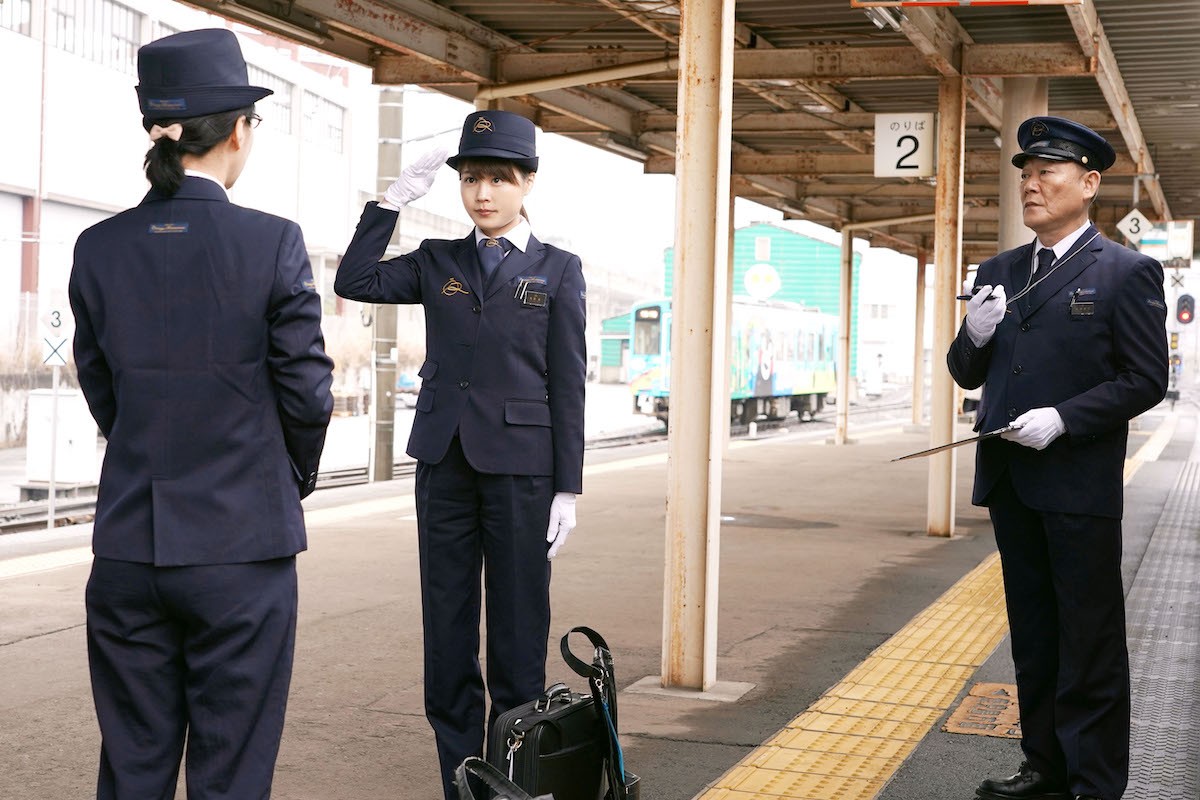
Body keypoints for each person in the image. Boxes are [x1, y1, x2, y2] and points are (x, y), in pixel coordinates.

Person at [68, 28, 334, 799]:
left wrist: (154, 451)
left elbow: (103, 388)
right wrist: (288, 479)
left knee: (133, 767)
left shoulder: (98, 247)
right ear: (239, 130)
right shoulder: (273, 243)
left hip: (127, 548)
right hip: (241, 550)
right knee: (231, 772)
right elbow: (308, 393)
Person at [334, 109, 587, 798]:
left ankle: (513, 779)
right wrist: (391, 202)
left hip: (522, 474)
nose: (482, 193)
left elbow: (568, 383)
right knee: (446, 635)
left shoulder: (559, 271)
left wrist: (569, 487)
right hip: (444, 465)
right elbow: (355, 280)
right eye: (471, 179)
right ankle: (460, 785)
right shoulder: (436, 261)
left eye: (498, 179)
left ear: (526, 182)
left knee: (516, 634)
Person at [948, 117, 1168, 800]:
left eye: (1047, 171)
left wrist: (1065, 419)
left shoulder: (1126, 270)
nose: (1031, 184)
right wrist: (971, 335)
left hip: (1076, 484)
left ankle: (1093, 781)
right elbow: (966, 371)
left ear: (1090, 182)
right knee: (1035, 635)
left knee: (1089, 638)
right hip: (1013, 482)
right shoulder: (999, 270)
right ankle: (1043, 764)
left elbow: (1145, 378)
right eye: (1025, 173)